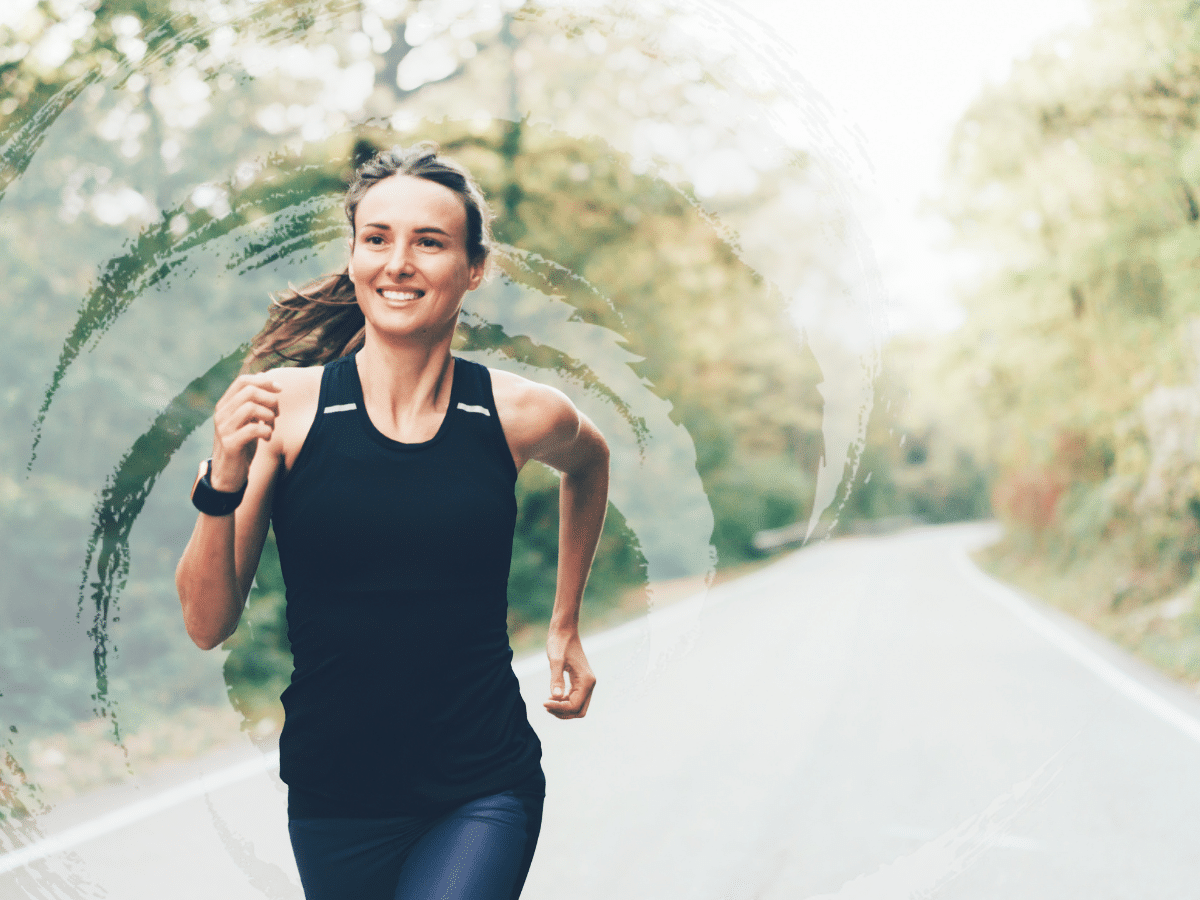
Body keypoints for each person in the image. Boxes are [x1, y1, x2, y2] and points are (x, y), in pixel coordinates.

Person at [174, 142, 609, 900]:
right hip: (334, 795)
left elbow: (590, 463)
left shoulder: (516, 412)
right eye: (377, 238)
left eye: (428, 242)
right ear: (352, 256)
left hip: (482, 784)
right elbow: (208, 622)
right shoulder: (282, 410)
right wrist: (224, 477)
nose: (398, 262)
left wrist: (565, 619)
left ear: (474, 268)